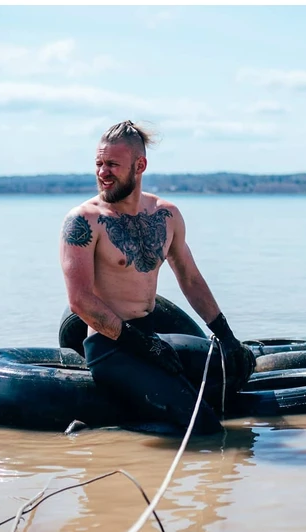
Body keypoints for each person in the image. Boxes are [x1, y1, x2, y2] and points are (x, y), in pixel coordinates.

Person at [59, 120, 254, 435]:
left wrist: (227, 336)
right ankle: (95, 433)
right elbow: (79, 300)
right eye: (98, 163)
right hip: (111, 348)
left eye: (112, 164)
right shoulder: (83, 221)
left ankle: (129, 417)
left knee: (234, 367)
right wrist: (143, 346)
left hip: (153, 337)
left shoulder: (166, 215)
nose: (102, 172)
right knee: (205, 430)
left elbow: (189, 278)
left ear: (140, 165)